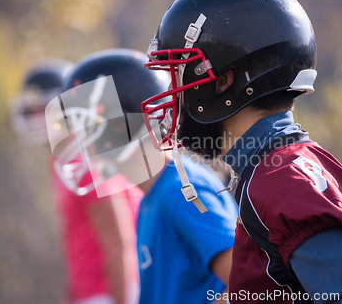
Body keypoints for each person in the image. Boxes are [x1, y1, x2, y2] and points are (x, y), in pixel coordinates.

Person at [141, 0, 342, 304]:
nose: (172, 95)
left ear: (223, 81)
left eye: (178, 76)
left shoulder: (281, 178)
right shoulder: (265, 169)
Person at [51, 48, 238, 304]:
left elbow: (248, 284)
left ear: (120, 123)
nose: (81, 140)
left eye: (87, 126)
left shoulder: (180, 192)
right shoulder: (153, 196)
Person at [11, 58, 139, 304]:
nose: (35, 116)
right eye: (32, 109)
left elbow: (121, 247)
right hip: (90, 293)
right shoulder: (61, 163)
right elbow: (79, 244)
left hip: (109, 293)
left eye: (43, 107)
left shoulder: (86, 165)